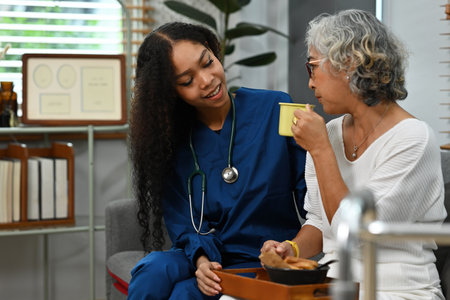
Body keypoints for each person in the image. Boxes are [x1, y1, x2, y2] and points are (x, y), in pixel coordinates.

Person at [261, 9, 447, 299]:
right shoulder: (330, 133)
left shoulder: (414, 139)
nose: (310, 83)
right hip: (334, 284)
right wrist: (292, 249)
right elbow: (321, 223)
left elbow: (357, 235)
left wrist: (321, 149)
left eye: (313, 67)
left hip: (397, 290)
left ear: (348, 63)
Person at [127, 22, 308, 299]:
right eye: (187, 81)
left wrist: (292, 248)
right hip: (202, 254)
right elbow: (182, 224)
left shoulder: (274, 109)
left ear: (214, 52)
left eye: (208, 63)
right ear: (170, 92)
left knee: (183, 295)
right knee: (152, 269)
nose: (207, 80)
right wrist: (201, 261)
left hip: (261, 258)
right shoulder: (171, 143)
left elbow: (313, 202)